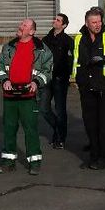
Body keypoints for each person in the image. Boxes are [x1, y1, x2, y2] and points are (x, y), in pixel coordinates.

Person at [0, 18, 53, 175]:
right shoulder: (8, 47)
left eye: (24, 25)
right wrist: (4, 79)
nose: (20, 27)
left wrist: (36, 82)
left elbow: (47, 71)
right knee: (9, 129)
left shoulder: (42, 50)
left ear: (32, 31)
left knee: (31, 130)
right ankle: (8, 162)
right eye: (21, 24)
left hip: (29, 96)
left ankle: (34, 163)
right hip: (10, 96)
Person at [72, 7, 105, 169]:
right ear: (86, 23)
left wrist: (103, 58)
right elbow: (76, 60)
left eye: (99, 21)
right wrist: (77, 79)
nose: (97, 25)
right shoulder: (79, 38)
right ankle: (93, 156)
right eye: (94, 22)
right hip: (87, 87)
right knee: (90, 124)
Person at [42, 13, 74, 148]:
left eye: (58, 20)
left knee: (60, 109)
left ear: (64, 25)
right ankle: (57, 128)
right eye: (54, 19)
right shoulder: (46, 39)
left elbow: (70, 61)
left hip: (60, 79)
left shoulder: (68, 41)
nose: (54, 21)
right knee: (43, 108)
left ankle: (60, 138)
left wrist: (65, 76)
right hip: (46, 78)